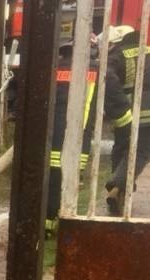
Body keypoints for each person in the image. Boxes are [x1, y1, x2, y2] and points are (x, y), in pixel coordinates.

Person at [46, 43, 98, 233]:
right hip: (80, 136)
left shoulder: (53, 70)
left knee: (51, 177)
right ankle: (67, 218)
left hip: (53, 134)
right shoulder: (97, 71)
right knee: (72, 179)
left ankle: (48, 223)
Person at [103, 25, 150, 215]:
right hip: (146, 113)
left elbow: (107, 78)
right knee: (141, 150)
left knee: (121, 146)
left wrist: (119, 108)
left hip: (126, 111)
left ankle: (120, 187)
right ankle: (117, 184)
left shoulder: (119, 55)